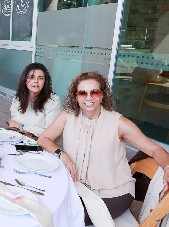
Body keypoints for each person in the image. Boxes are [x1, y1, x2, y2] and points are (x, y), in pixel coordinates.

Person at [37, 71, 169, 225]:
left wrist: (167, 167)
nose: (88, 97)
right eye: (82, 93)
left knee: (59, 216)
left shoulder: (118, 122)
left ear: (103, 95)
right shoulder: (68, 115)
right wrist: (62, 154)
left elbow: (155, 150)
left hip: (113, 194)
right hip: (77, 187)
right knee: (40, 199)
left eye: (94, 91)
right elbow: (43, 139)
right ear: (75, 96)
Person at [7, 63, 61, 137]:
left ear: (45, 82)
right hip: (16, 139)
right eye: (32, 77)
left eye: (40, 78)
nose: (36, 81)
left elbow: (49, 133)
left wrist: (21, 127)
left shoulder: (53, 101)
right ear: (25, 80)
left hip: (39, 144)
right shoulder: (18, 97)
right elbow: (12, 124)